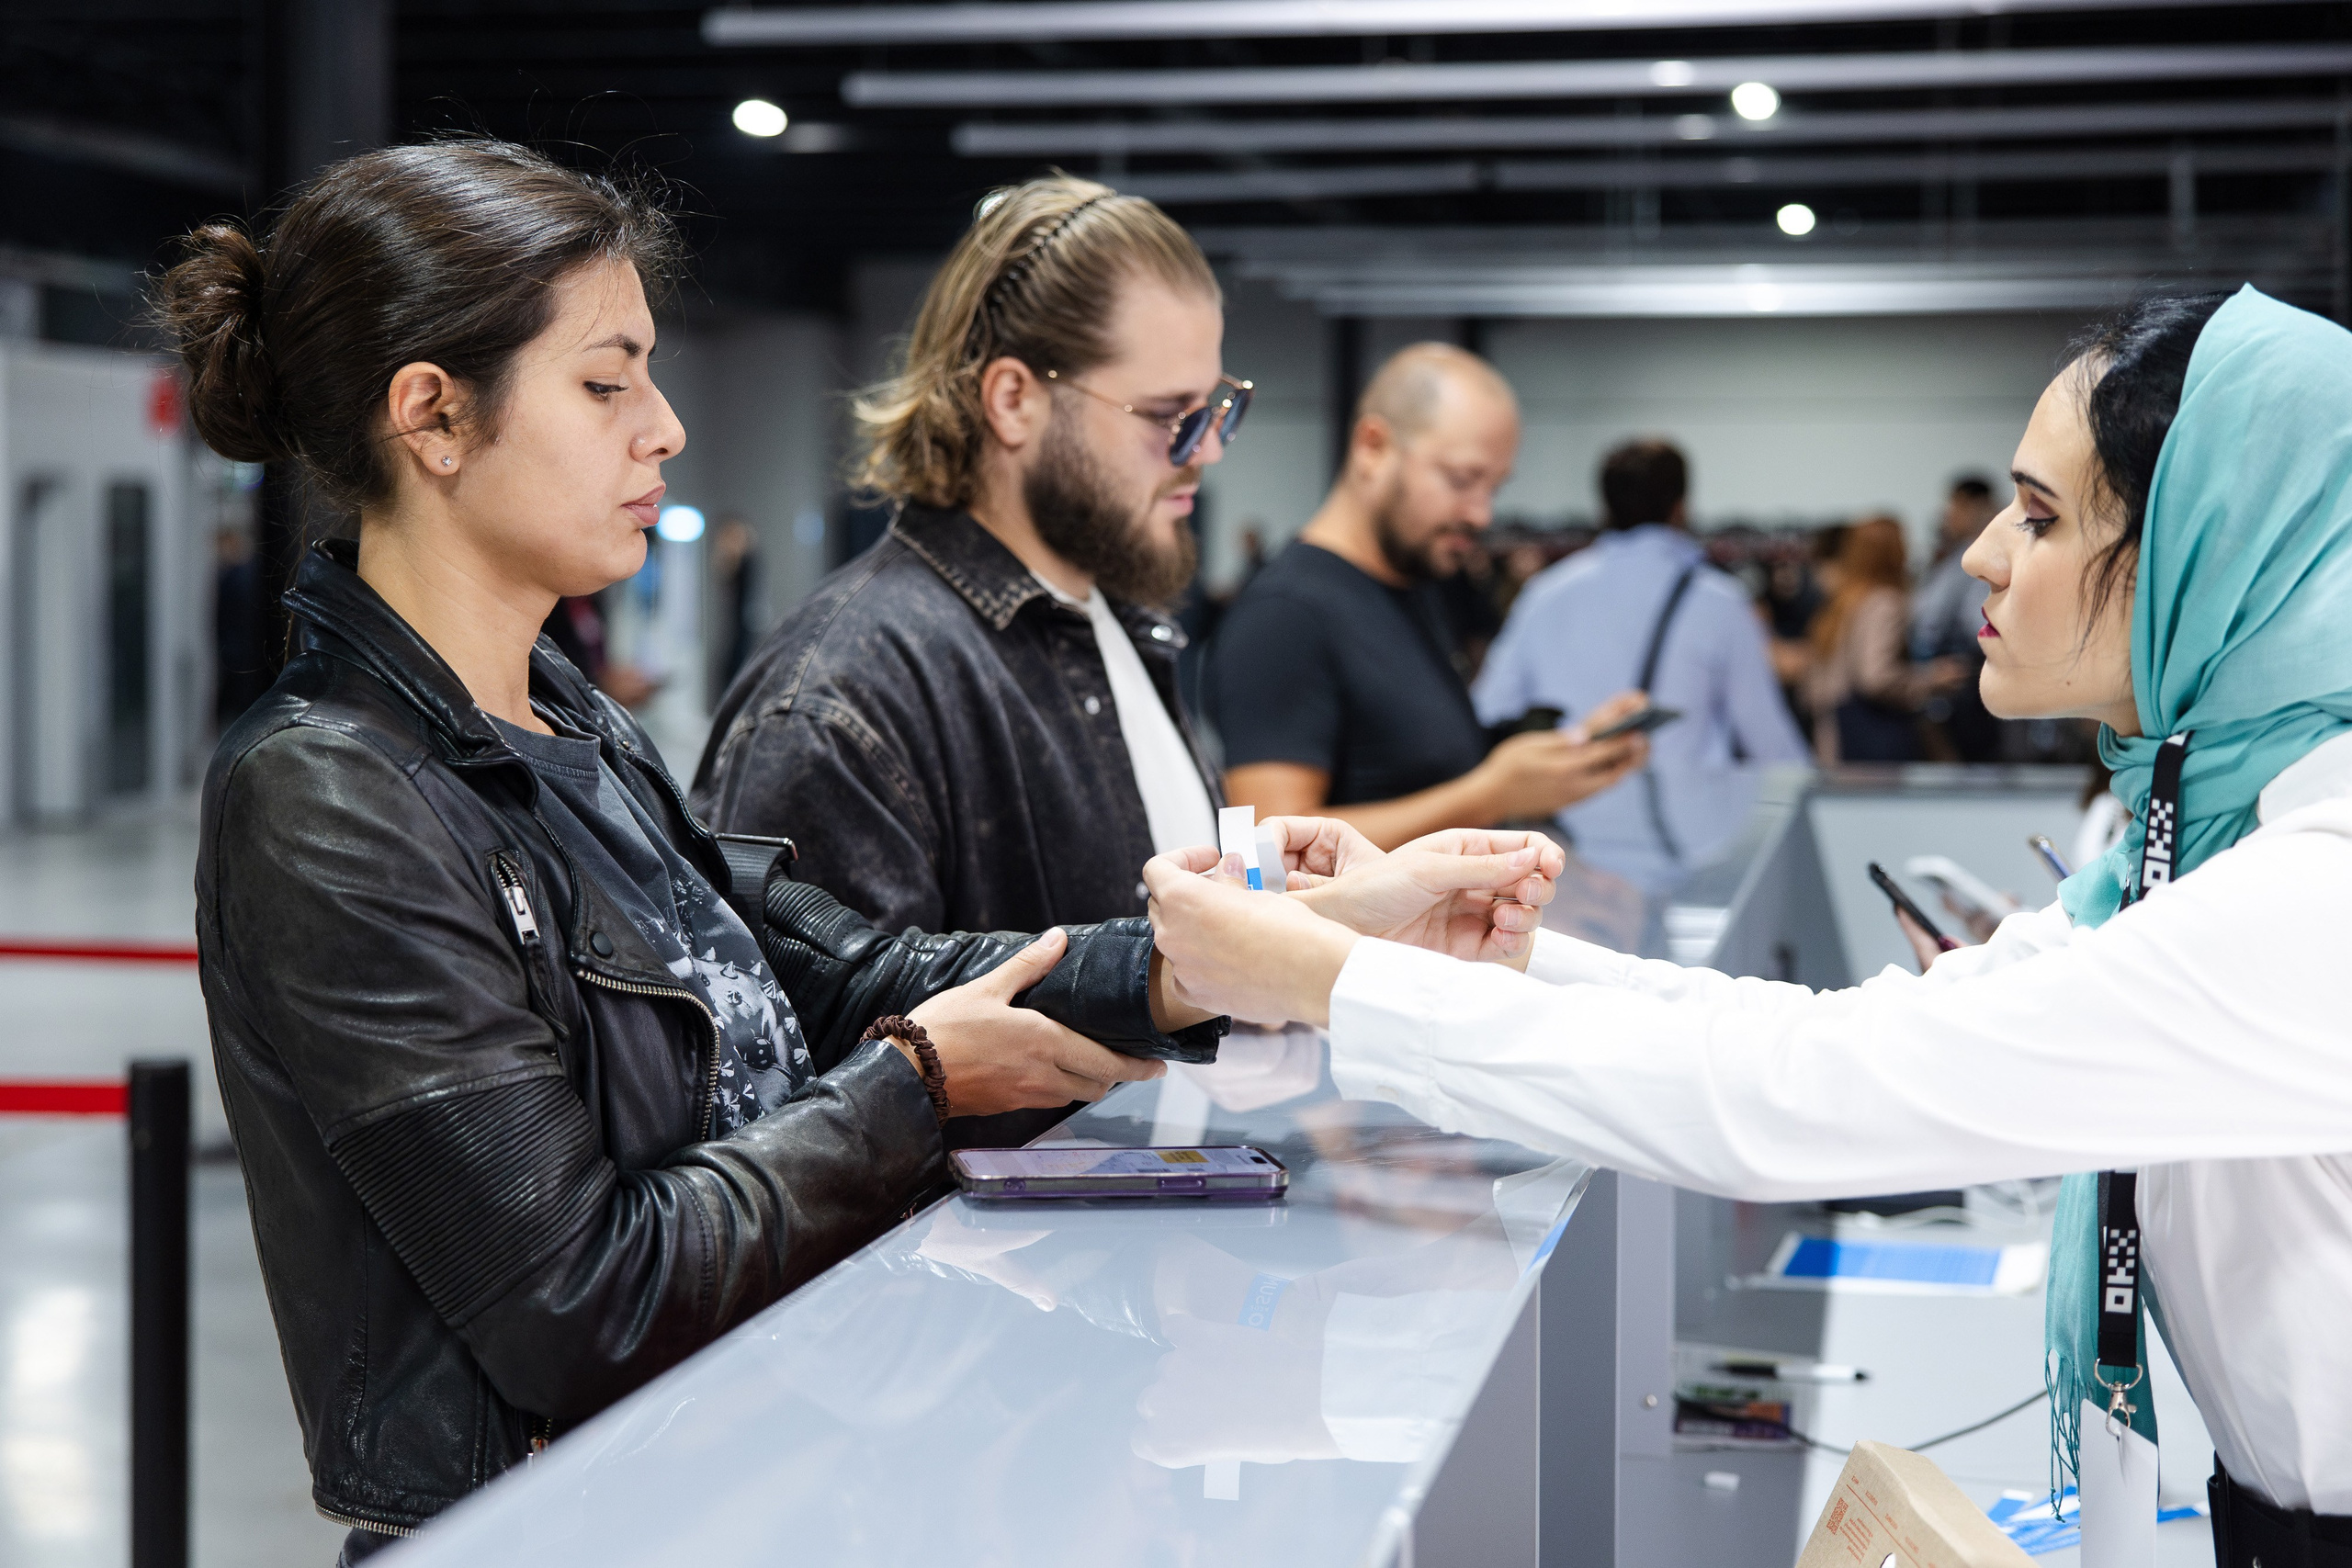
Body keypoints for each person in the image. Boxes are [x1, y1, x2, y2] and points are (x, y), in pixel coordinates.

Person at [1145, 288, 2352, 1565]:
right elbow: (1832, 1032)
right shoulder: (2213, 842)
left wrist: (1336, 981)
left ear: (2210, 555)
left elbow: (1797, 1094)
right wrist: (1476, 954)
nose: (1986, 555)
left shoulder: (2308, 885)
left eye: (2042, 516)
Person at [159, 142, 1214, 1562]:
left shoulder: (570, 724)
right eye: (606, 382)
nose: (662, 427)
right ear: (434, 416)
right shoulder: (329, 800)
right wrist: (913, 1088)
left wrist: (1212, 959)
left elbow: (845, 967)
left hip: (741, 1489)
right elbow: (583, 1300)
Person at [693, 176, 1229, 933]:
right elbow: (822, 1048)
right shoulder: (842, 697)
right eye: (1172, 415)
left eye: (1215, 410)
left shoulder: (1119, 628)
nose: (1204, 451)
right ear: (1013, 401)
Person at [1207, 343, 1647, 851]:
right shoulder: (1287, 616)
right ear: (1373, 446)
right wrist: (1493, 795)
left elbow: (1427, 770)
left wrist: (1564, 758)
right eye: (1462, 480)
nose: (1481, 514)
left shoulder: (1414, 584)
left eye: (1494, 488)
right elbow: (1270, 850)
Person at [1472, 438, 1806, 775]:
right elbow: (1770, 743)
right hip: (1682, 817)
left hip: (1565, 811)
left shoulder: (1545, 593)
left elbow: (1491, 709)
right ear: (1680, 507)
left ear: (1604, 506)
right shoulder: (1720, 601)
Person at [1802, 515, 1969, 763]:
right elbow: (1874, 677)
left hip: (1834, 735)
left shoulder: (1844, 602)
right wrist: (1931, 679)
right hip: (1869, 738)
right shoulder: (1884, 602)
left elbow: (1814, 685)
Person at [1913, 475, 2006, 760]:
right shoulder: (1954, 556)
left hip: (1964, 678)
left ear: (1976, 506)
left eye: (1955, 505)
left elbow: (1972, 620)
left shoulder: (1979, 558)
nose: (1948, 514)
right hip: (1950, 676)